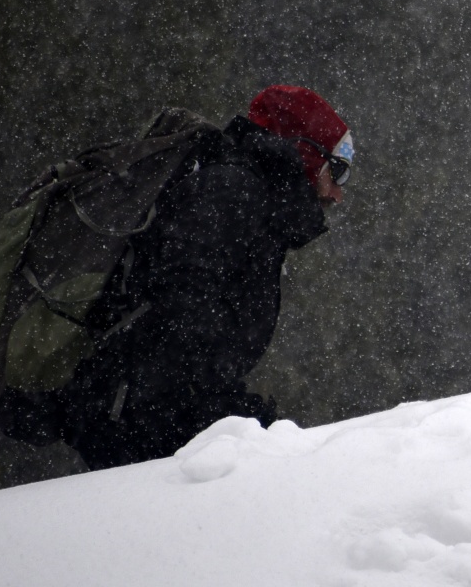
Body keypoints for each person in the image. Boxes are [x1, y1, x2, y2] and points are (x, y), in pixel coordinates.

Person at [51, 84, 354, 469]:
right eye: (337, 173)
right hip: (143, 419)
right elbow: (180, 311)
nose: (338, 195)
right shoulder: (232, 192)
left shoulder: (251, 199)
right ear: (308, 154)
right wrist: (223, 410)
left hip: (153, 413)